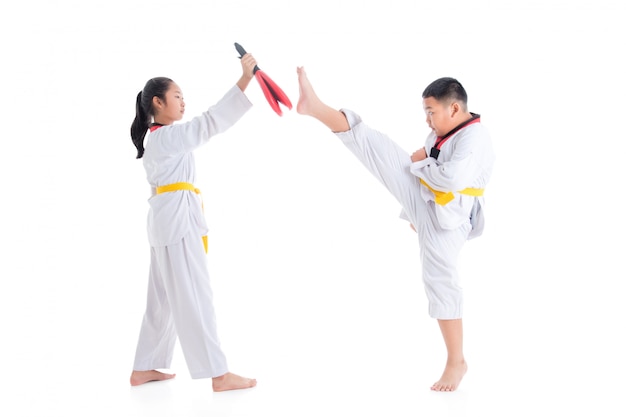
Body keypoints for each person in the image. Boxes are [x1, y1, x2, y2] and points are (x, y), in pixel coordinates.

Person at [295, 66, 495, 391]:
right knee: (378, 146)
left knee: (440, 281)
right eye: (426, 112)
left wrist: (422, 162)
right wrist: (419, 187)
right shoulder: (445, 131)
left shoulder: (476, 136)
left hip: (451, 219)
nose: (427, 120)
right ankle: (316, 107)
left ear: (454, 108)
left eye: (431, 112)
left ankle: (457, 361)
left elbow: (452, 178)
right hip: (429, 201)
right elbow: (429, 166)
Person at [128, 53, 259, 392]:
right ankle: (218, 373)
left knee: (162, 299)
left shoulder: (157, 137)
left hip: (166, 222)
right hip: (177, 223)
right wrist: (244, 81)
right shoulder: (165, 137)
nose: (183, 103)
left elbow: (201, 124)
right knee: (196, 296)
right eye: (177, 97)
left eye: (184, 98)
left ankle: (144, 367)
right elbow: (209, 123)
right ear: (157, 102)